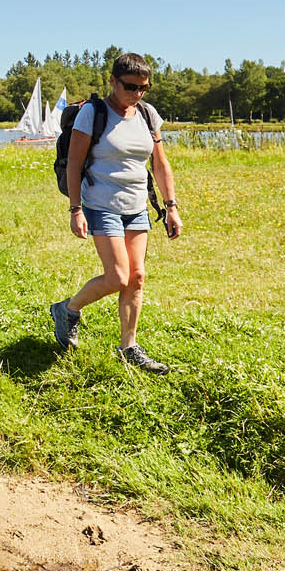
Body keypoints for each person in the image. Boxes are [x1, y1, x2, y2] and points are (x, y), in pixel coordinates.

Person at [48, 52, 182, 372]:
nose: (137, 94)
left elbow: (160, 164)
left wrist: (171, 206)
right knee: (118, 276)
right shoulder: (92, 113)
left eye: (144, 88)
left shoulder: (147, 114)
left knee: (137, 277)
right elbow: (74, 164)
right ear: (112, 81)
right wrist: (75, 209)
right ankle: (68, 309)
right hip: (100, 203)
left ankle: (128, 347)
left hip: (136, 206)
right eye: (130, 87)